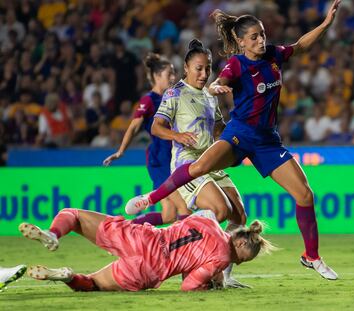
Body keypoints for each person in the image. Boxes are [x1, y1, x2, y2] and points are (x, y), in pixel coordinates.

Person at [127, 0, 342, 280]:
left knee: (305, 195)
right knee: (200, 167)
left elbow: (300, 46)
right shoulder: (236, 65)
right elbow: (221, 80)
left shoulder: (274, 55)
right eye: (254, 37)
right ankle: (151, 197)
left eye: (262, 34)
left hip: (267, 142)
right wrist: (217, 86)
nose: (261, 40)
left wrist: (325, 25)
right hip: (240, 134)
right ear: (241, 42)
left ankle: (311, 257)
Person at [126, 39, 248, 288]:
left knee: (239, 215)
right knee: (220, 210)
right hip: (187, 164)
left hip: (211, 161)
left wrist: (237, 130)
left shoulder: (209, 96)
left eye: (208, 68)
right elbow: (156, 127)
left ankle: (223, 275)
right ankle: (191, 261)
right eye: (198, 68)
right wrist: (177, 135)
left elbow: (217, 129)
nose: (204, 74)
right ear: (186, 68)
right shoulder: (174, 93)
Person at [19, 208, 272, 291]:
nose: (235, 263)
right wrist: (212, 285)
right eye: (240, 259)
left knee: (72, 215)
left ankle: (52, 233)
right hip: (148, 270)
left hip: (141, 238)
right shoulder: (221, 259)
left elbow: (184, 223)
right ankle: (67, 276)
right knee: (93, 284)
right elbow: (188, 285)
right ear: (239, 244)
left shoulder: (207, 218)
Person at [103, 53, 189, 226]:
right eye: (169, 74)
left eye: (173, 73)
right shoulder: (149, 100)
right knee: (184, 208)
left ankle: (127, 228)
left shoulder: (172, 97)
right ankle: (189, 248)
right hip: (160, 159)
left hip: (173, 157)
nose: (173, 77)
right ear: (157, 76)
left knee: (169, 215)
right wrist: (121, 151)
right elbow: (134, 126)